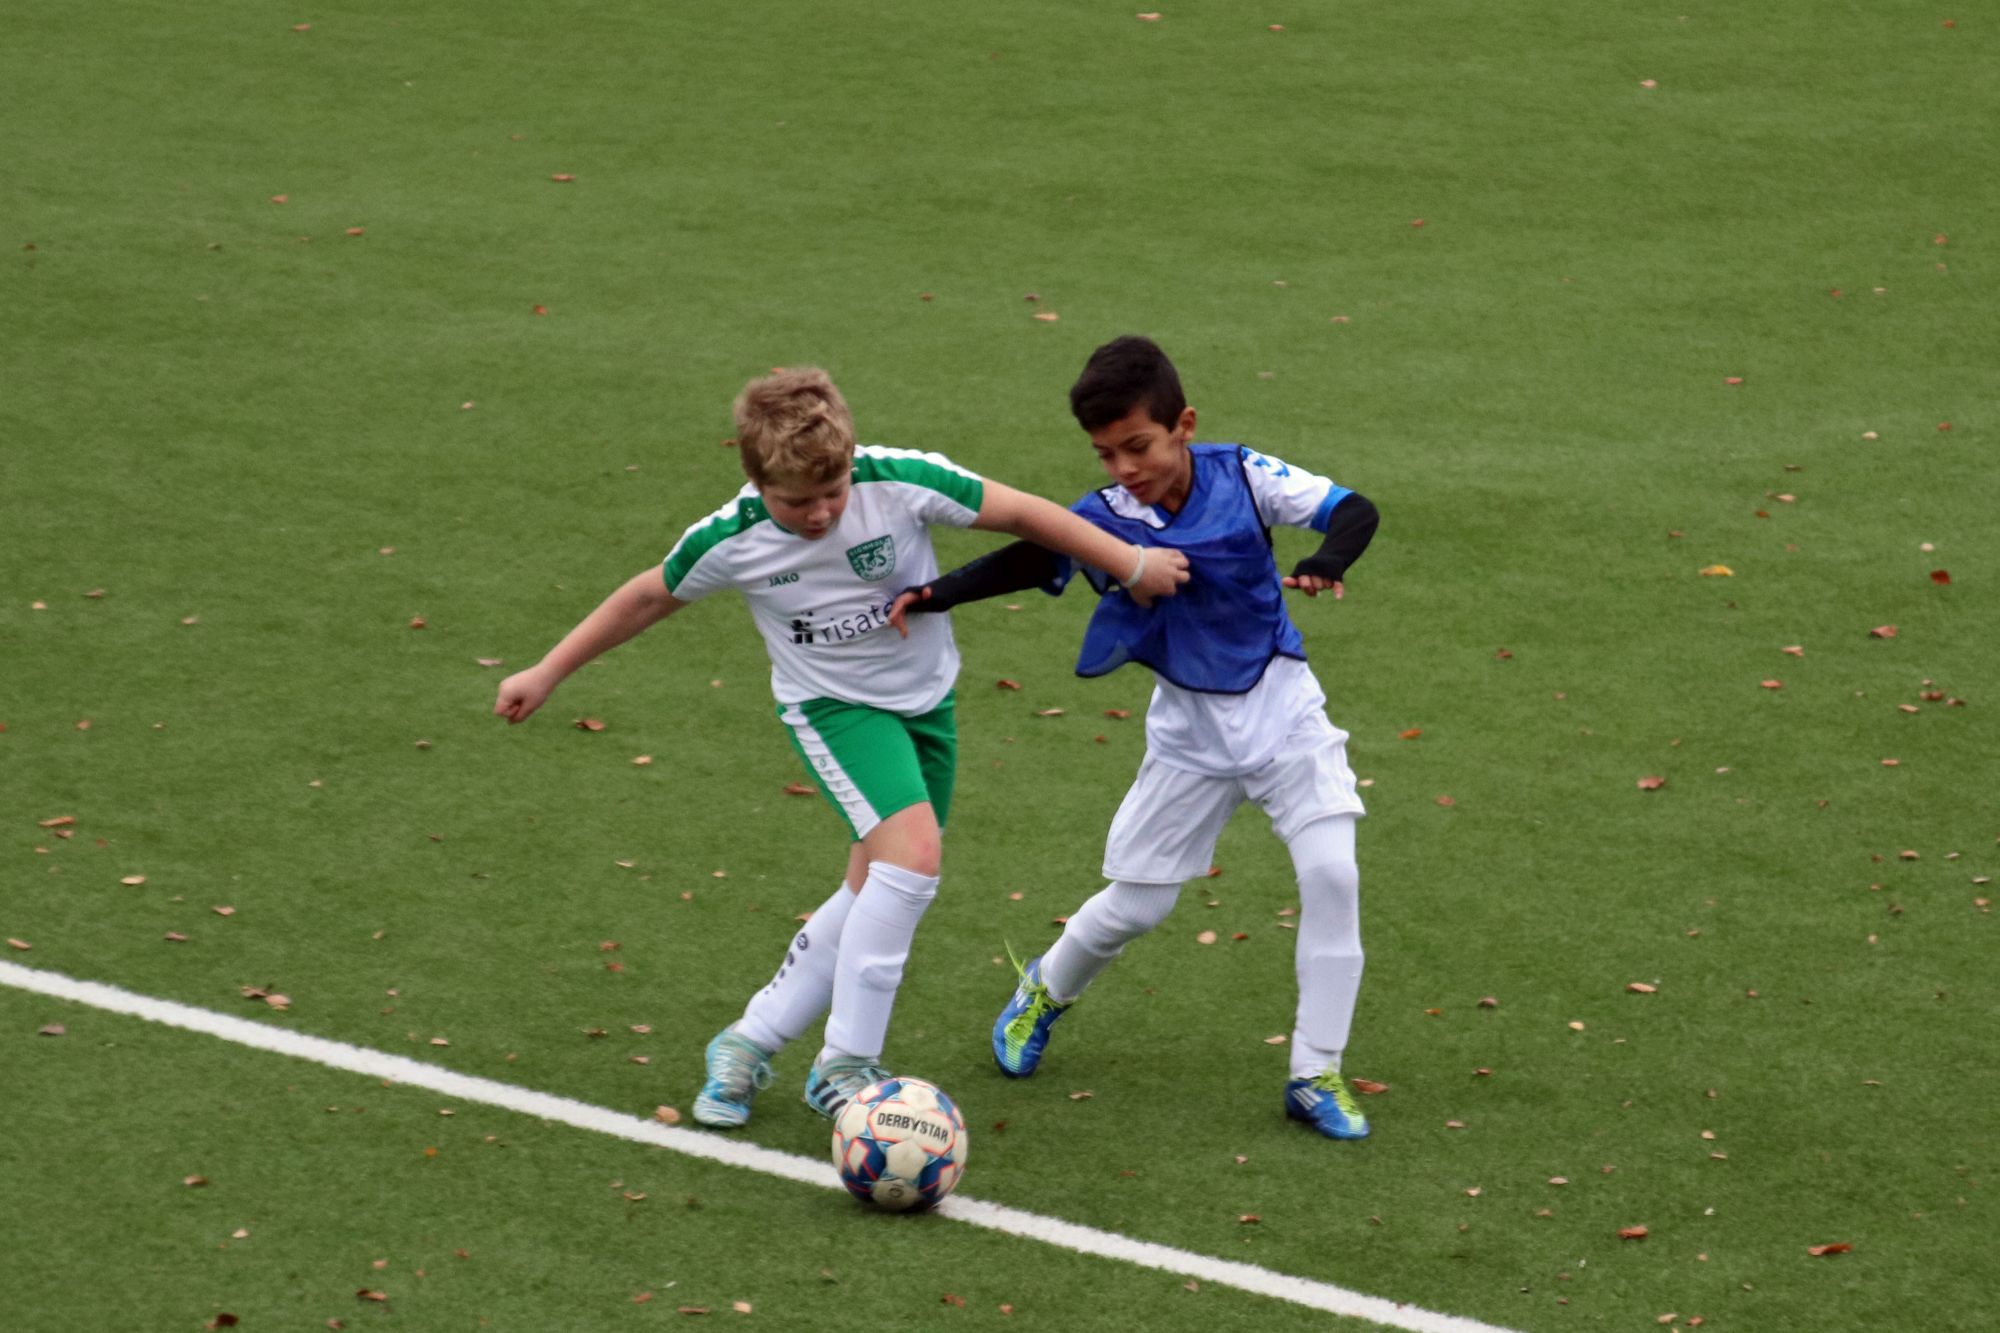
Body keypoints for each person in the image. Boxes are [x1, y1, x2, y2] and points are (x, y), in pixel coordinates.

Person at [493, 367, 1188, 1127]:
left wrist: (1131, 563)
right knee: (912, 861)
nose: (821, 512)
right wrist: (547, 671)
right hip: (833, 711)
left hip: (926, 705)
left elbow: (1024, 512)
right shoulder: (730, 539)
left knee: (873, 888)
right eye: (798, 502)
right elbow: (647, 595)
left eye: (833, 492)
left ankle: (749, 1040)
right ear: (757, 481)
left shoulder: (899, 481)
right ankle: (846, 1063)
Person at [889, 335, 1382, 1140]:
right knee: (1137, 906)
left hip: (1285, 714)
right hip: (1189, 740)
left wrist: (1329, 558)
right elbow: (1034, 557)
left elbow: (1353, 509)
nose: (1124, 467)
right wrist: (937, 592)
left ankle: (1314, 1070)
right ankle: (1044, 990)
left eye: (1138, 445)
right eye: (1106, 453)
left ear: (1184, 425)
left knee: (1333, 874)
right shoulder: (1107, 517)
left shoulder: (1244, 474)